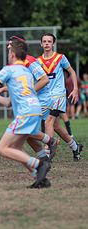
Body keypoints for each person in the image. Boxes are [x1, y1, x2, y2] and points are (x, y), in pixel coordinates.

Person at [0, 39, 52, 188]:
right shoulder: (26, 72)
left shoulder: (8, 70)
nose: (8, 54)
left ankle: (39, 164)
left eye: (9, 51)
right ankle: (40, 178)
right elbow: (8, 102)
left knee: (1, 148)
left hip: (25, 113)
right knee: (15, 149)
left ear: (12, 54)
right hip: (34, 109)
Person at [37, 33, 83, 161]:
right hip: (45, 97)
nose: (46, 43)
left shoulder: (60, 58)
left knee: (48, 121)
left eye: (49, 41)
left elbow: (72, 72)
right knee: (56, 126)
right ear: (41, 44)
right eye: (44, 41)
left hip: (58, 95)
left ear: (53, 43)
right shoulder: (38, 61)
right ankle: (75, 146)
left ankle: (47, 154)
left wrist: (75, 89)